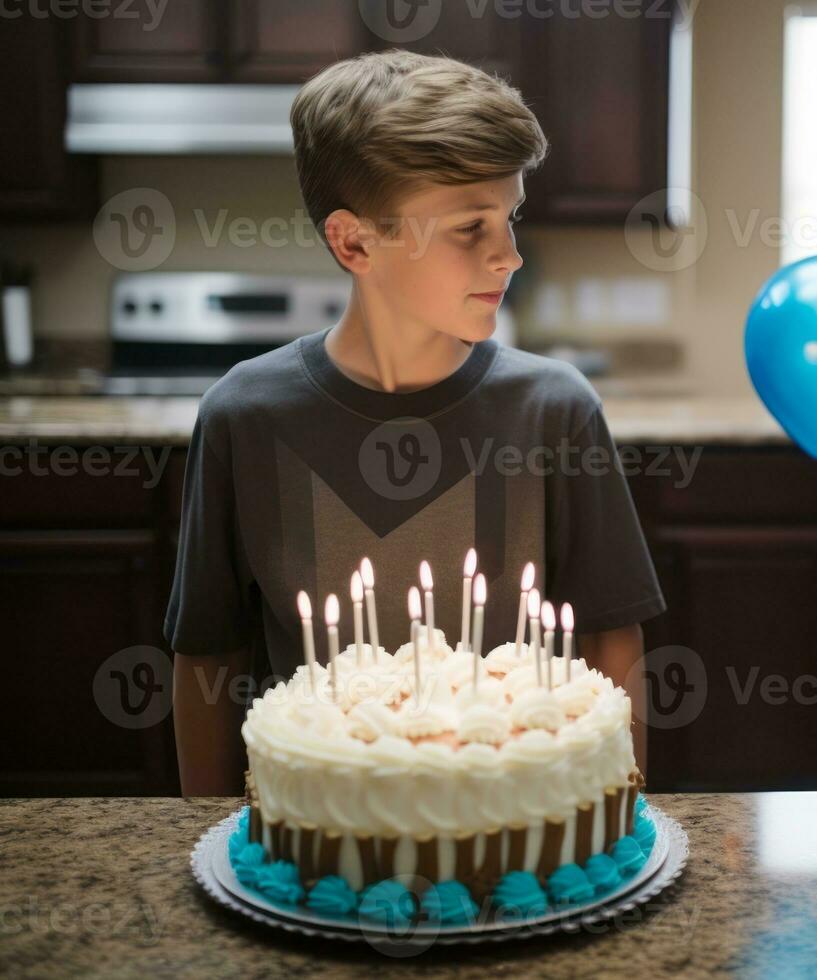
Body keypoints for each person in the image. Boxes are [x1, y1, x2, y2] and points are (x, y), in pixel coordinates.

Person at [165, 50, 665, 795]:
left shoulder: (554, 412)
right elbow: (206, 657)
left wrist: (612, 825)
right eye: (471, 228)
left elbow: (611, 638)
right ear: (355, 242)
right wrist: (200, 833)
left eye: (509, 219)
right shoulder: (245, 416)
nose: (510, 256)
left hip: (515, 836)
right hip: (314, 845)